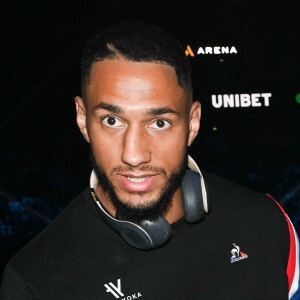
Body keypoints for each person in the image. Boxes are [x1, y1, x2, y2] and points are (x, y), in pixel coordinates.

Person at [0, 21, 299, 300]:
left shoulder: (269, 226)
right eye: (112, 120)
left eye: (159, 123)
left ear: (193, 123)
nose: (134, 155)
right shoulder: (32, 281)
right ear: (82, 119)